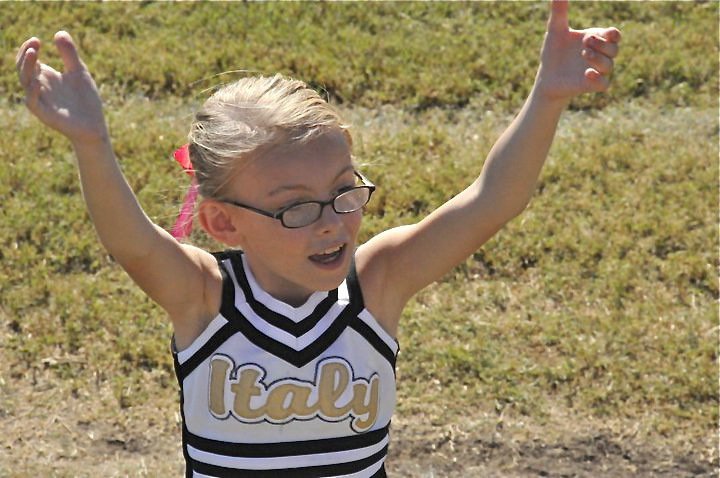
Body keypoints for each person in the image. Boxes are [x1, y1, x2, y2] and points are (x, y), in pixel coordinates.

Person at [15, 1, 620, 476]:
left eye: (342, 191)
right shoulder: (204, 298)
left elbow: (492, 201)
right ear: (225, 223)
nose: (332, 221)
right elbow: (135, 244)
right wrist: (90, 144)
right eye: (297, 208)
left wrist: (548, 96)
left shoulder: (377, 282)